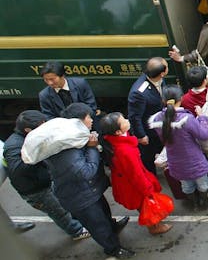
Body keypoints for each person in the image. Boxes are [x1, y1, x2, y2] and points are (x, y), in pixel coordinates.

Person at [45, 103, 134, 259]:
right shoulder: (67, 147)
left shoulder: (76, 137)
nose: (92, 120)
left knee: (104, 213)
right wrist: (92, 147)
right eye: (88, 117)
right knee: (97, 225)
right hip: (80, 197)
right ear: (79, 121)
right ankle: (113, 249)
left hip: (90, 190)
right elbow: (85, 172)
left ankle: (112, 227)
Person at [3, 110, 90, 240]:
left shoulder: (28, 138)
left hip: (44, 182)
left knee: (61, 205)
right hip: (35, 190)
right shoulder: (14, 146)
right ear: (28, 129)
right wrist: (39, 154)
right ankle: (76, 231)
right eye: (41, 126)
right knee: (58, 211)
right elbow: (17, 169)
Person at [101, 112, 173, 235]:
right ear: (118, 131)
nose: (127, 120)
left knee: (144, 206)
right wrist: (147, 189)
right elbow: (136, 175)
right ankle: (154, 227)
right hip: (135, 186)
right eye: (123, 121)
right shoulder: (125, 151)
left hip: (128, 182)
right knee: (146, 205)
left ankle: (154, 225)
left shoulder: (116, 142)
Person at [148, 85, 208, 209]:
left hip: (175, 162)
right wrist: (201, 117)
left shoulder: (157, 119)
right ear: (181, 98)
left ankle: (194, 203)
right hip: (194, 160)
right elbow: (203, 135)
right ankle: (206, 201)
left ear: (164, 101)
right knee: (203, 184)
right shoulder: (186, 119)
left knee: (186, 186)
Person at [127, 57, 168, 173]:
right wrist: (141, 136)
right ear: (162, 73)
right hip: (149, 131)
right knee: (148, 157)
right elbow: (135, 117)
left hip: (160, 126)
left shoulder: (159, 80)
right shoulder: (139, 93)